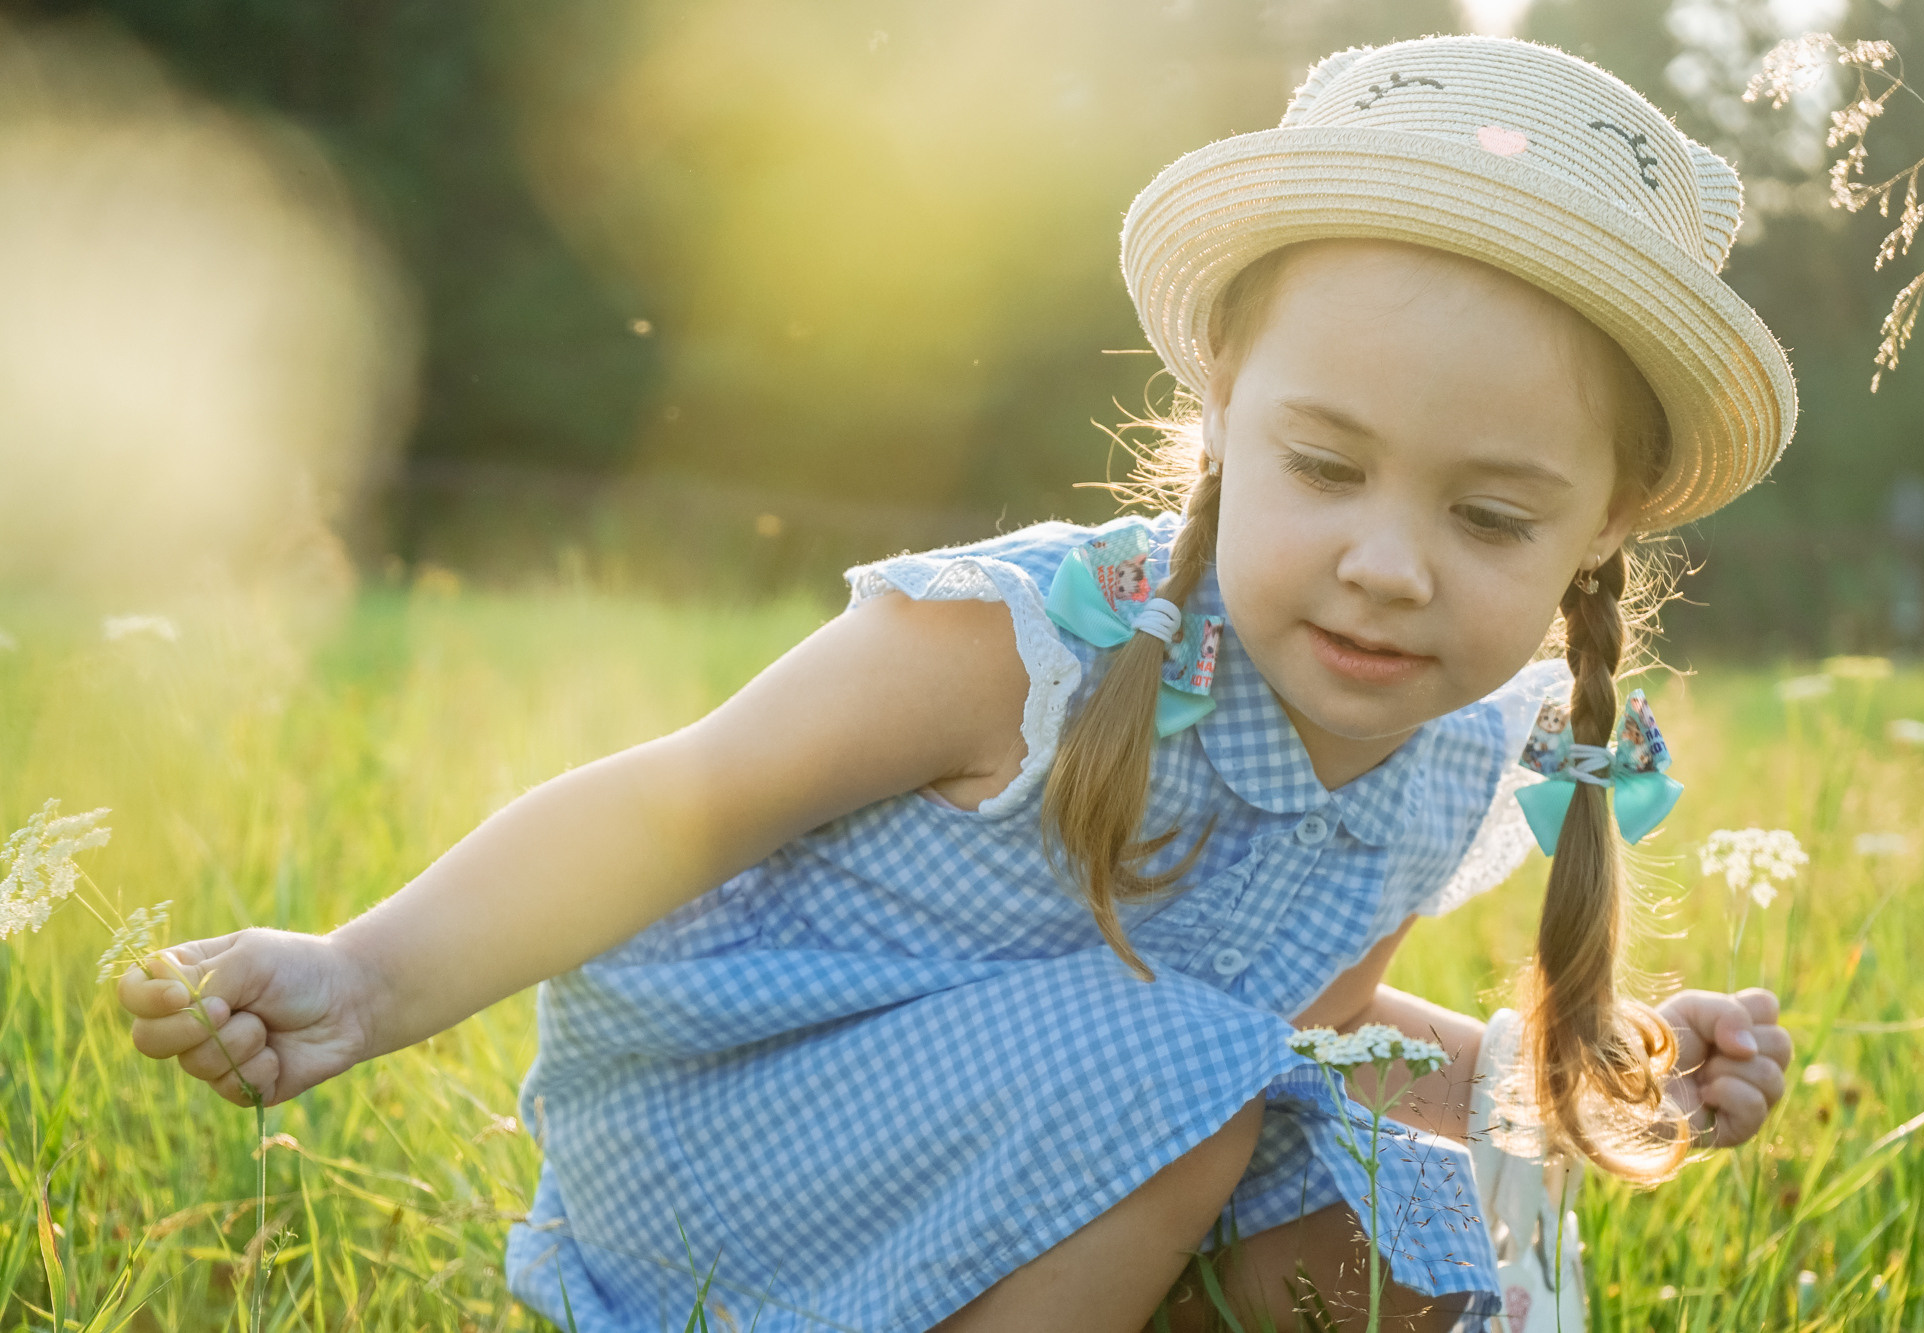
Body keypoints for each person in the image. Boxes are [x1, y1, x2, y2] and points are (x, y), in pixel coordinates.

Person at [118, 34, 1800, 1333]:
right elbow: (679, 803)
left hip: (1062, 1145)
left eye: (1489, 516)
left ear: (1607, 524)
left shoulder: (1456, 751)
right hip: (765, 1143)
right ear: (1225, 399)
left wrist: (1595, 1075)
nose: (1388, 563)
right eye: (1326, 466)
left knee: (1402, 1245)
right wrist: (365, 976)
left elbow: (1302, 1030)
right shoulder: (1035, 640)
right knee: (1188, 1094)